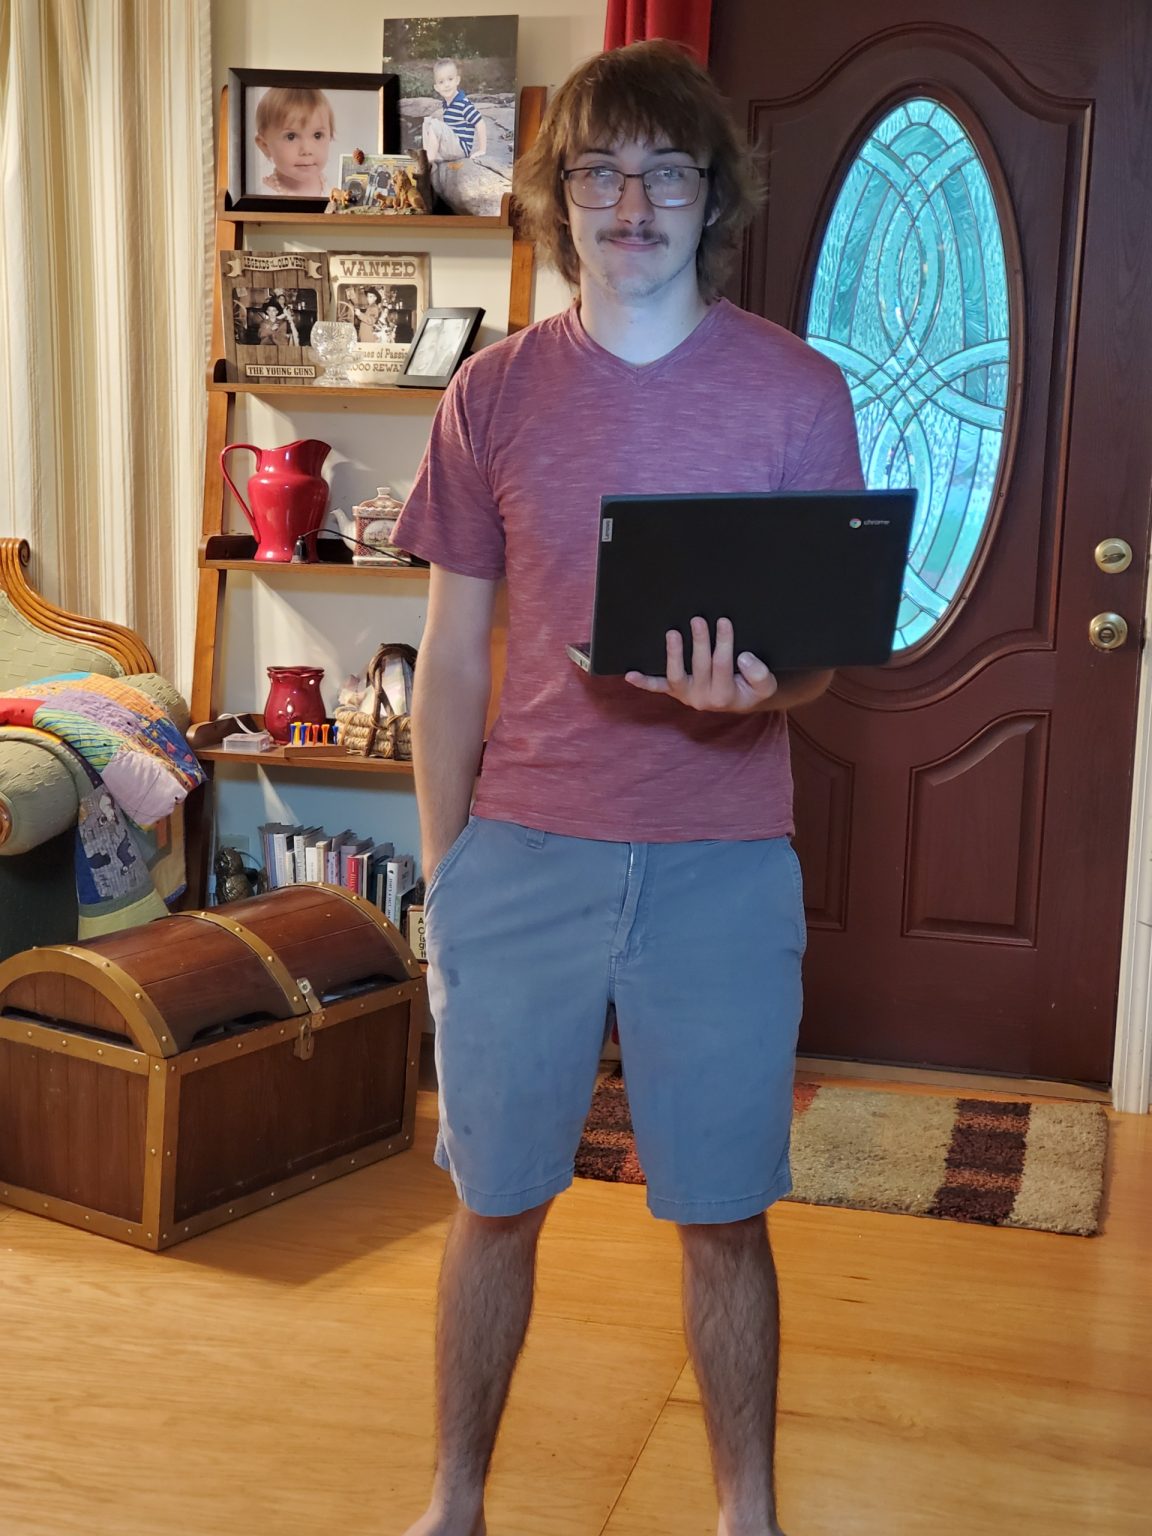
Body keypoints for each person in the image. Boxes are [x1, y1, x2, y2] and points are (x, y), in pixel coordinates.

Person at [391, 39, 864, 1536]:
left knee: (723, 1215)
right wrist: (447, 870)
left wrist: (760, 693)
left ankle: (747, 1516)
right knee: (493, 1204)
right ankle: (455, 1504)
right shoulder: (492, 395)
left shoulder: (799, 392)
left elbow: (819, 664)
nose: (633, 203)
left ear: (713, 196)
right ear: (560, 199)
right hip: (520, 856)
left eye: (667, 172)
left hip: (724, 861)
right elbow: (451, 658)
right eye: (600, 172)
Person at [254, 86, 335, 196]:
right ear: (265, 146)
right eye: (291, 137)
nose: (307, 150)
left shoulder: (333, 192)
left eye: (317, 135)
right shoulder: (262, 197)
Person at [421, 58, 488, 164]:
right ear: (436, 87)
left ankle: (429, 163)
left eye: (450, 79)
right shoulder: (446, 104)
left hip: (461, 148)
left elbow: (480, 123)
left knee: (434, 124)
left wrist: (482, 150)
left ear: (457, 80)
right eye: (441, 82)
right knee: (427, 123)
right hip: (451, 147)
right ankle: (430, 156)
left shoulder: (463, 103)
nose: (446, 84)